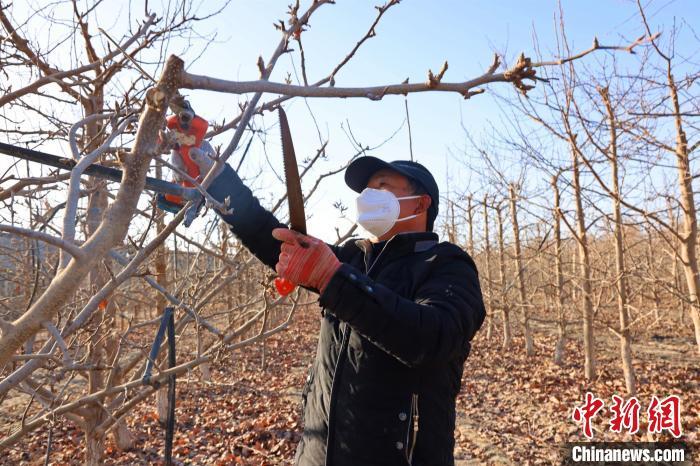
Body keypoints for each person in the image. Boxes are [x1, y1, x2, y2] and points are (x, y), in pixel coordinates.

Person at [177, 144, 486, 466]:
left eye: (382, 186)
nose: (369, 196)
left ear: (420, 203)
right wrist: (217, 178)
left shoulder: (447, 265)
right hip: (318, 454)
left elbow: (432, 338)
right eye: (366, 189)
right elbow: (273, 239)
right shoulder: (354, 259)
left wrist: (332, 278)